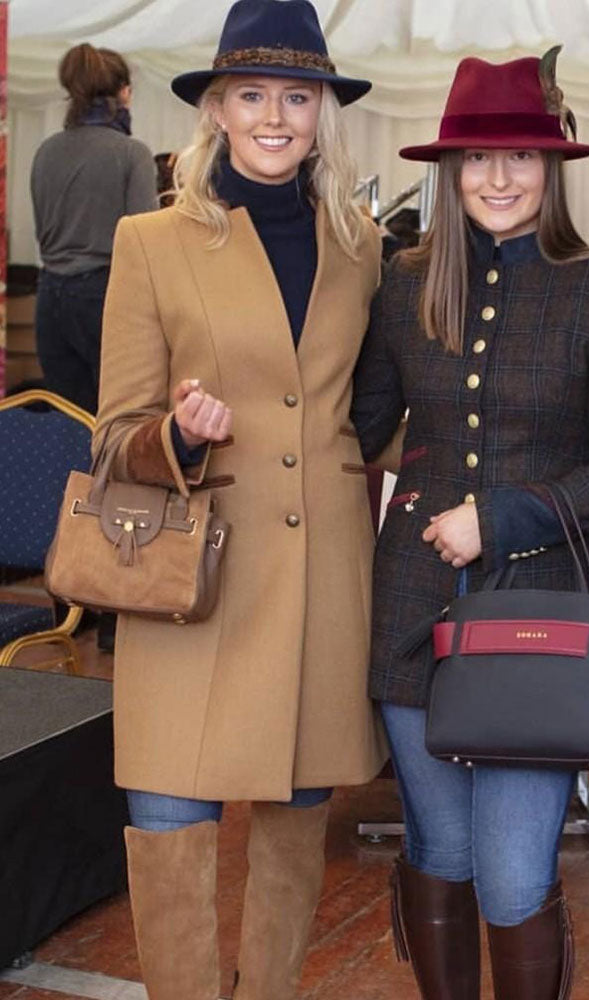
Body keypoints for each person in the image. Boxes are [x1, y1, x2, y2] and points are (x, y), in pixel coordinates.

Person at [350, 51, 589, 1000]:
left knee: (516, 869)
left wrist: (504, 516)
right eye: (478, 160)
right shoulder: (404, 285)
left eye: (521, 158)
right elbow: (351, 429)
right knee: (439, 848)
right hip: (413, 604)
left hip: (542, 618)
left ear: (553, 166)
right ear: (447, 172)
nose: (498, 179)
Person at [93, 2, 385, 998]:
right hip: (195, 573)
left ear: (321, 113)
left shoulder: (359, 244)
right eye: (252, 94)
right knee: (169, 812)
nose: (274, 116)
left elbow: (367, 402)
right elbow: (110, 436)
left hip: (319, 578)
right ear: (215, 108)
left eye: (295, 97)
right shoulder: (151, 241)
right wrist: (173, 434)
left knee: (296, 816)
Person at [31, 43, 157, 415]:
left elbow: (42, 231)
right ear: (124, 93)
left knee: (71, 421)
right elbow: (144, 240)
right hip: (104, 297)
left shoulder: (46, 150)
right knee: (118, 419)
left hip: (49, 297)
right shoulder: (131, 152)